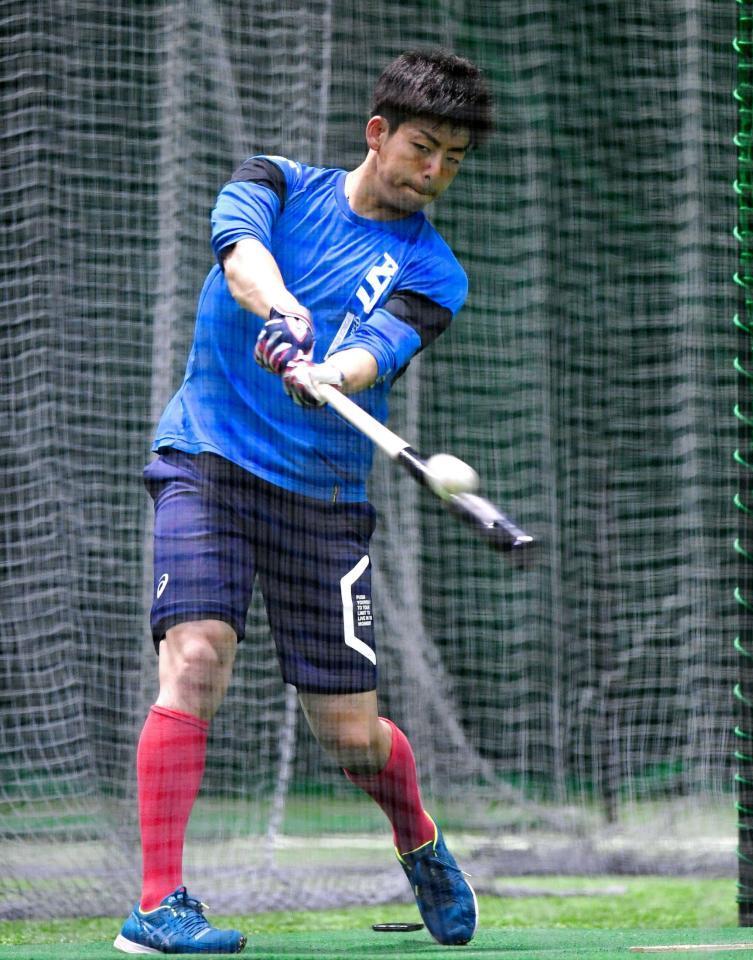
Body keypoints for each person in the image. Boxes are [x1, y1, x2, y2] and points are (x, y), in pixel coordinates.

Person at [114, 47, 493, 956]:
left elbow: (378, 352)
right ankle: (159, 904)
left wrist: (329, 369)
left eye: (453, 159)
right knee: (196, 655)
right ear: (378, 133)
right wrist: (284, 314)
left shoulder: (436, 272)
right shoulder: (276, 184)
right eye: (421, 147)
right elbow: (241, 257)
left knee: (353, 737)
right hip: (206, 458)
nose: (433, 171)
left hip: (322, 500)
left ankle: (417, 836)